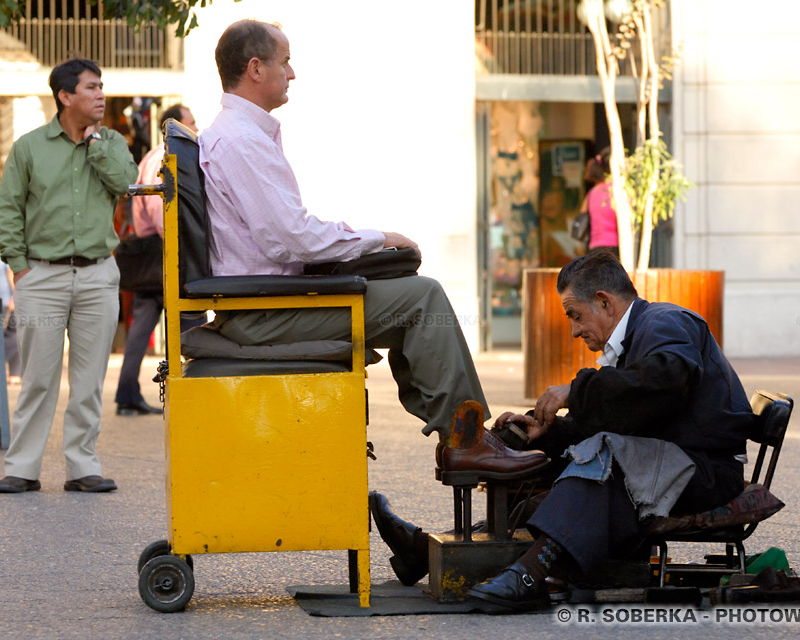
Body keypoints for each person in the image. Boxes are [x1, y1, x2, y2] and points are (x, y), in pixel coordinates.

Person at [196, 20, 547, 479]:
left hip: (270, 302)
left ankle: (464, 433)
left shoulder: (240, 135)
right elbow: (289, 238)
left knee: (407, 290)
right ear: (256, 68)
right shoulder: (240, 140)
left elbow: (286, 232)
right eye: (285, 61)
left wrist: (364, 247)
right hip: (266, 312)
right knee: (423, 297)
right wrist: (378, 238)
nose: (293, 73)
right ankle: (467, 439)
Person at [372, 249, 755, 609]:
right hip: (672, 461)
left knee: (602, 458)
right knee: (551, 458)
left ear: (604, 302)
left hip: (705, 472)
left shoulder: (665, 321)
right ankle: (424, 552)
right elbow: (633, 412)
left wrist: (576, 390)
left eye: (575, 315)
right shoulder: (637, 336)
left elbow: (667, 379)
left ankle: (532, 575)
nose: (574, 331)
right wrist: (548, 433)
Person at [0, 58, 138, 494]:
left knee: (90, 379)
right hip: (43, 276)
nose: (100, 95)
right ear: (65, 96)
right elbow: (7, 213)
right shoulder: (29, 147)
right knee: (38, 378)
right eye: (91, 87)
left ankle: (82, 466)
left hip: (97, 276)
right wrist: (20, 267)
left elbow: (125, 182)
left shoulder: (111, 142)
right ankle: (22, 467)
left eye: (101, 86)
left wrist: (96, 145)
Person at [114, 103, 205, 416]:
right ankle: (196, 390)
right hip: (165, 253)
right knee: (192, 323)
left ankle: (127, 394)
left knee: (141, 329)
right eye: (192, 121)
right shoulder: (166, 158)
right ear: (177, 125)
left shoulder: (150, 155)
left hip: (148, 255)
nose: (196, 126)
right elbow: (160, 209)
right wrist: (179, 248)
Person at [0, 241, 22, 384]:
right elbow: (11, 271)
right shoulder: (4, 242)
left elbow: (9, 271)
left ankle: (9, 372)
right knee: (12, 335)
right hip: (5, 298)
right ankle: (3, 370)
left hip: (5, 298)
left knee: (11, 334)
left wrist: (15, 296)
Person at [582, 148, 619, 256]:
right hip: (614, 247)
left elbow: (582, 214)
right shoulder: (618, 191)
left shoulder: (592, 192)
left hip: (594, 247)